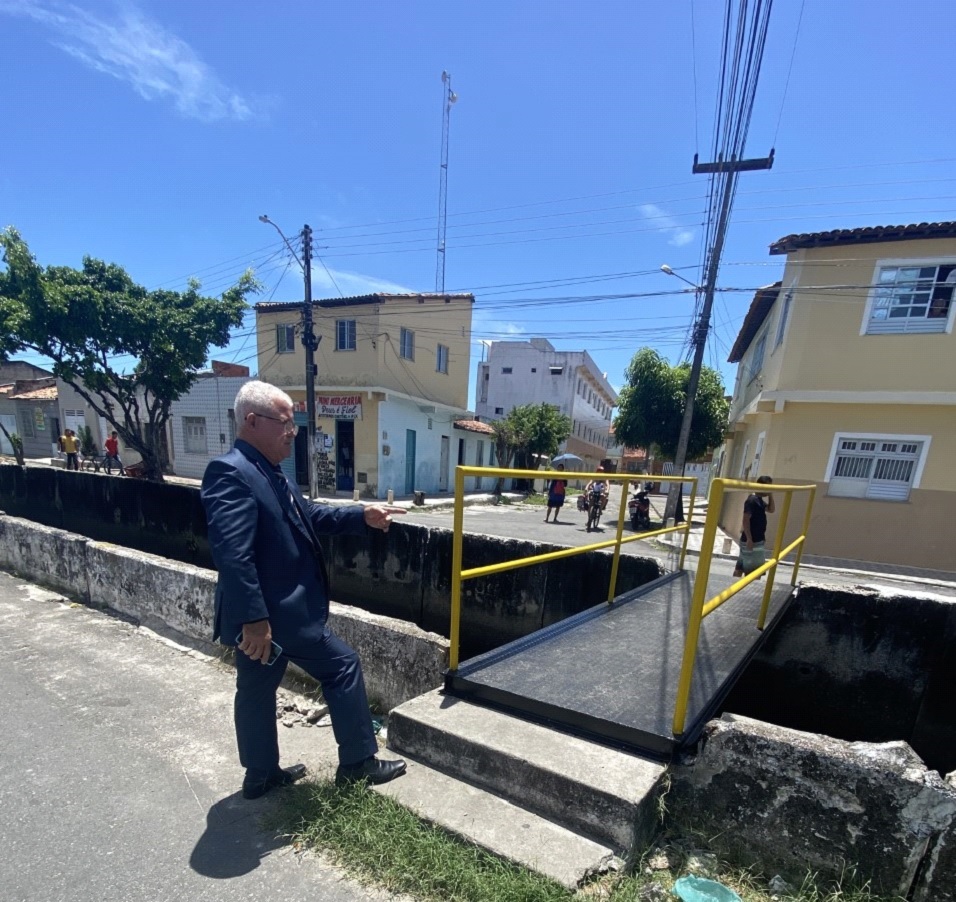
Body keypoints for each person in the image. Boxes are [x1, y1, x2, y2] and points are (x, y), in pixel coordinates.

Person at [201, 381, 408, 799]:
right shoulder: (231, 472)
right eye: (285, 422)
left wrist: (360, 516)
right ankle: (358, 764)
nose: (293, 431)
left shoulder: (271, 472)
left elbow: (308, 515)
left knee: (256, 688)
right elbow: (233, 556)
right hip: (275, 615)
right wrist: (255, 622)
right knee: (343, 666)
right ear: (252, 421)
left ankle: (260, 775)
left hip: (271, 615)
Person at [733, 475, 775, 577]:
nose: (770, 488)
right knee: (754, 573)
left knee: (740, 567)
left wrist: (770, 495)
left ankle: (734, 585)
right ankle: (747, 590)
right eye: (768, 486)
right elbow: (745, 520)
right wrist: (749, 539)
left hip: (756, 539)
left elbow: (771, 510)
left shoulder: (759, 500)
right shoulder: (752, 500)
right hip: (753, 540)